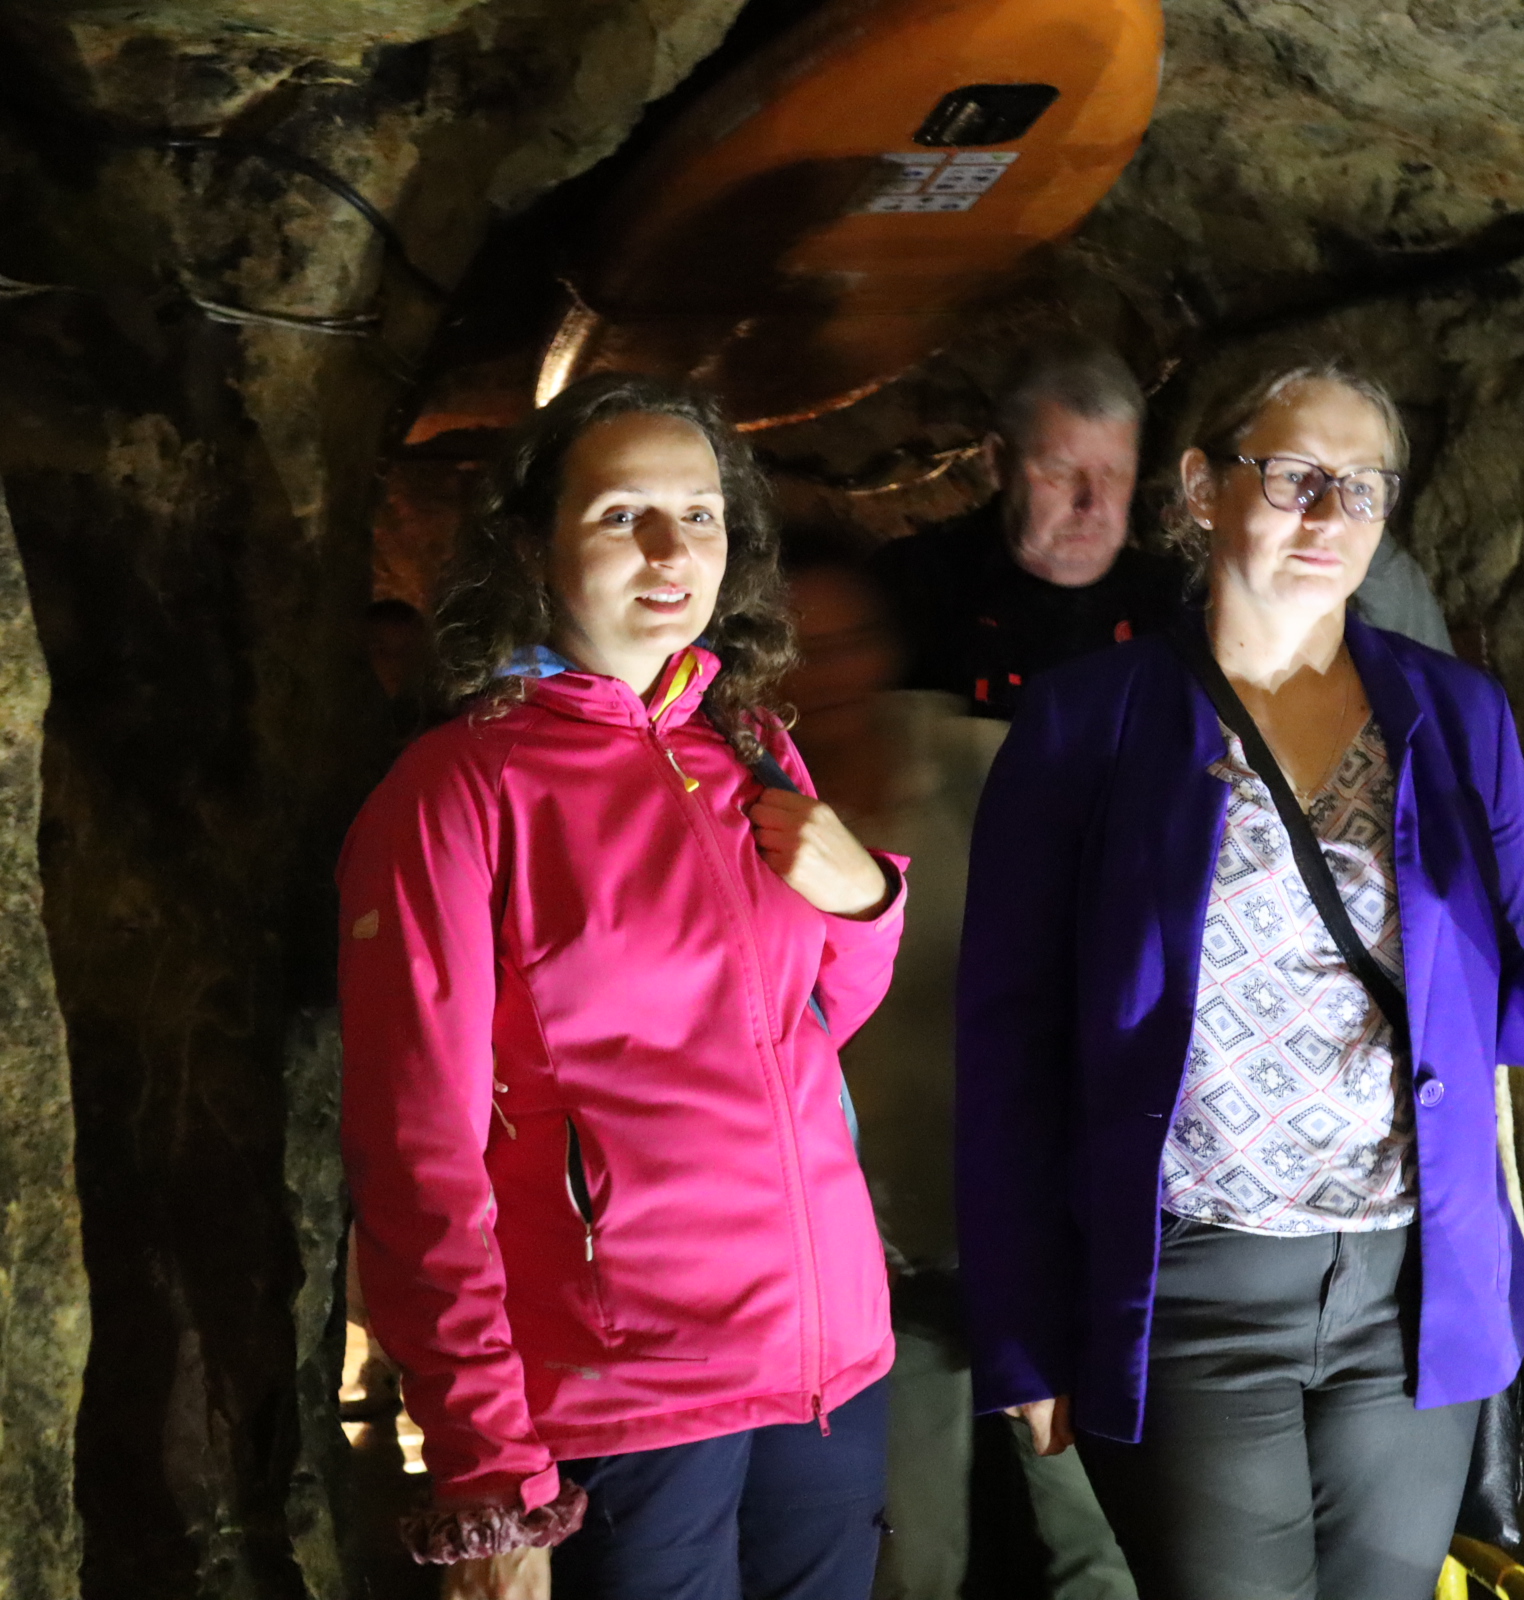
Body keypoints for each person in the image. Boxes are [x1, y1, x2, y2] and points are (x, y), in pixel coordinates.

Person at [955, 359, 1524, 1600]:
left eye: (1362, 488)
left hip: (1407, 1284)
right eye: (1295, 476)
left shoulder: (1457, 716)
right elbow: (1008, 1044)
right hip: (1192, 1284)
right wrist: (1023, 1331)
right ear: (1202, 487)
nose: (1329, 514)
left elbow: (1485, 992)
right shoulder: (1088, 722)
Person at [338, 374, 907, 1600]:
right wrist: (488, 1472)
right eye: (621, 514)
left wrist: (868, 900)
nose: (670, 549)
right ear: (530, 542)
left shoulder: (750, 745)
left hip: (829, 1366)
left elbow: (802, 1031)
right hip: (632, 1391)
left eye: (699, 514)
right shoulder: (459, 791)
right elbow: (417, 1149)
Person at [777, 543, 1134, 1600]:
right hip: (872, 1255)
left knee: (1101, 1535)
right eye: (801, 648)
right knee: (908, 1556)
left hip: (1031, 1223)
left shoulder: (983, 769)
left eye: (849, 642)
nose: (828, 673)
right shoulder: (749, 811)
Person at [870, 341, 1183, 719]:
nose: (1091, 503)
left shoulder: (1182, 609)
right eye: (1060, 473)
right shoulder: (903, 595)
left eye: (1114, 473)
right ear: (997, 462)